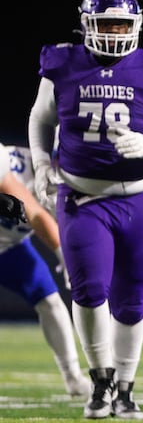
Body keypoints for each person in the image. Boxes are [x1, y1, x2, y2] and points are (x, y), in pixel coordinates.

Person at [27, 0, 143, 420]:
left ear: (136, 26)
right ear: (87, 25)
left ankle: (125, 389)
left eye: (122, 24)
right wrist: (41, 164)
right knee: (89, 291)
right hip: (83, 197)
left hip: (138, 200)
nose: (115, 32)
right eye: (107, 24)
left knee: (133, 299)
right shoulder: (62, 63)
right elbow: (40, 118)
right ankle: (100, 383)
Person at [0, 144, 89, 396]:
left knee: (50, 302)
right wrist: (64, 255)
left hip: (9, 248)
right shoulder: (13, 165)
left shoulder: (73, 188)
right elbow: (33, 212)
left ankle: (73, 377)